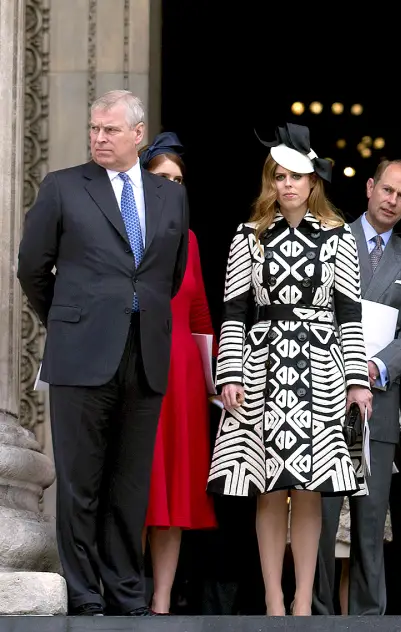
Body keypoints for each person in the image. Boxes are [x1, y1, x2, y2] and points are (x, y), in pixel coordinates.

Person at [17, 89, 189, 616]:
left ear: (137, 134)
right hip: (80, 352)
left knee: (129, 483)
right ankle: (84, 593)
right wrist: (69, 318)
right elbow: (32, 268)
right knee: (80, 481)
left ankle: (126, 593)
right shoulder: (64, 187)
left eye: (110, 129)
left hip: (145, 351)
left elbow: (170, 274)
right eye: (94, 128)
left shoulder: (170, 196)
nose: (98, 137)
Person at [206, 123, 372, 616]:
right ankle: (274, 601)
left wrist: (356, 381)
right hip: (263, 364)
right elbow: (234, 310)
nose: (288, 184)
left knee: (309, 488)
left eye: (297, 176)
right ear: (271, 181)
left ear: (312, 180)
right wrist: (229, 373)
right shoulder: (249, 235)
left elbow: (350, 313)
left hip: (322, 367)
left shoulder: (339, 235)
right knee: (269, 488)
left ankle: (302, 601)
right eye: (280, 176)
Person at [316, 158, 401, 616]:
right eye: (386, 189)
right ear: (369, 187)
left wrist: (372, 368)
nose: (391, 200)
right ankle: (317, 617)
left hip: (379, 402)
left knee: (369, 523)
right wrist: (342, 368)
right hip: (322, 397)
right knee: (321, 521)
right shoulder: (331, 240)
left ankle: (369, 620)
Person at [138, 133, 217, 614]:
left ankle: (162, 601)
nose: (171, 186)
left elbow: (201, 314)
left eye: (179, 180)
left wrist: (217, 381)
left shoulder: (189, 240)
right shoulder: (123, 230)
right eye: (163, 177)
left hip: (184, 378)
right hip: (135, 371)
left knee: (172, 496)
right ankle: (127, 591)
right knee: (137, 487)